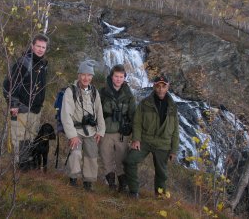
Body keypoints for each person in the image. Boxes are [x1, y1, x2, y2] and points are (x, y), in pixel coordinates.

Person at [123, 75, 179, 198]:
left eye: (163, 86)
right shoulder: (145, 103)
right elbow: (137, 122)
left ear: (167, 87)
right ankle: (134, 191)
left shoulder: (173, 107)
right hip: (145, 140)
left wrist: (174, 150)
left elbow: (176, 130)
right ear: (154, 86)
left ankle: (159, 197)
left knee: (161, 173)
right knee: (130, 161)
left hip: (163, 143)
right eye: (158, 86)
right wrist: (136, 139)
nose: (160, 89)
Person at [3, 33, 49, 171]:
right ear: (32, 46)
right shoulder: (23, 63)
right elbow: (8, 85)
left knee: (30, 139)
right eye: (38, 46)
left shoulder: (43, 65)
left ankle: (26, 169)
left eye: (43, 47)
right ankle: (19, 171)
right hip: (22, 109)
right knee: (19, 139)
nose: (41, 49)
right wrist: (14, 105)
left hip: (36, 109)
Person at [61, 60, 105, 191]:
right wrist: (72, 135)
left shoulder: (94, 92)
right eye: (83, 75)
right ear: (78, 75)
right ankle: (73, 179)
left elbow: (99, 112)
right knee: (75, 154)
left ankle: (88, 183)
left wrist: (100, 131)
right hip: (76, 130)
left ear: (92, 77)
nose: (86, 78)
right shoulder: (71, 91)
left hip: (91, 131)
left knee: (92, 156)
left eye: (89, 75)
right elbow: (66, 115)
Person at [99, 64, 136, 192]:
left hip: (122, 133)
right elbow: (97, 111)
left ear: (124, 78)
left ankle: (122, 186)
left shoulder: (129, 95)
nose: (118, 79)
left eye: (121, 77)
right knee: (106, 159)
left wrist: (131, 130)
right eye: (116, 76)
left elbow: (133, 115)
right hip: (105, 132)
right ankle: (111, 185)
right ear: (111, 76)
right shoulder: (102, 92)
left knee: (121, 160)